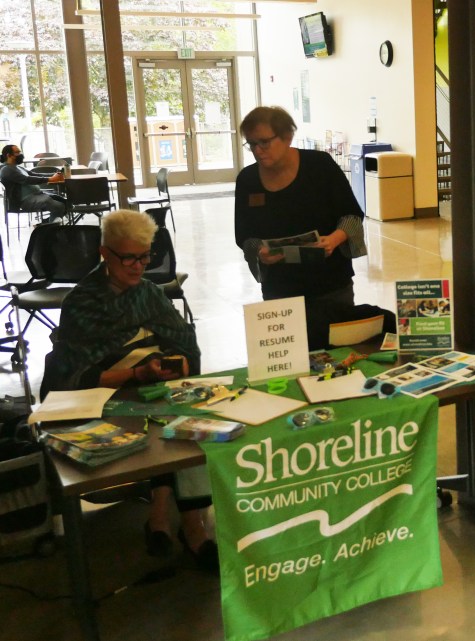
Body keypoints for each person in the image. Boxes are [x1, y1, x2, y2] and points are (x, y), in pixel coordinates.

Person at [41, 210, 218, 572]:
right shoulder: (82, 301)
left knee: (191, 425)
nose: (139, 267)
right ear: (105, 254)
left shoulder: (149, 293)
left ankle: (184, 522)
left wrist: (179, 364)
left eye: (145, 257)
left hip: (149, 389)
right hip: (100, 397)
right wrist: (136, 372)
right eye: (129, 258)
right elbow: (77, 374)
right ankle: (166, 518)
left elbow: (186, 345)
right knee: (161, 425)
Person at [234, 106, 367, 350]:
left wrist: (334, 239)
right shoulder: (248, 180)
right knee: (291, 354)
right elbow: (244, 235)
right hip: (280, 287)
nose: (257, 151)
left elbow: (352, 214)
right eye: (251, 144)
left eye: (264, 142)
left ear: (287, 136)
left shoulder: (320, 166)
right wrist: (259, 251)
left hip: (330, 283)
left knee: (338, 353)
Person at [0, 143, 66, 223]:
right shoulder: (6, 170)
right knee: (59, 206)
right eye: (17, 152)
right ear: (8, 155)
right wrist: (50, 179)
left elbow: (34, 174)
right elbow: (27, 179)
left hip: (36, 195)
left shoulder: (17, 167)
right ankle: (50, 228)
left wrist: (54, 176)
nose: (20, 154)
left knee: (63, 201)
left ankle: (47, 224)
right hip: (24, 201)